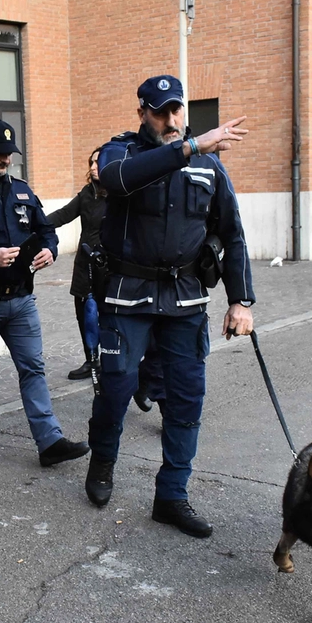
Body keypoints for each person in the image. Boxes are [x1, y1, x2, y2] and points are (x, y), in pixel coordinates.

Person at [84, 74, 254, 539]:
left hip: (184, 299)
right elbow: (118, 181)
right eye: (161, 111)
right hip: (127, 294)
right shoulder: (121, 154)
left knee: (185, 398)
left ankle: (172, 496)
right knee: (116, 389)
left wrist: (240, 300)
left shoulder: (209, 168)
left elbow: (233, 234)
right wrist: (191, 147)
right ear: (142, 112)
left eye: (177, 110)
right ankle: (102, 462)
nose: (172, 120)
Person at [0, 119, 89, 467]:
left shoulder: (23, 191)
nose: (5, 160)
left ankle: (49, 440)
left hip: (22, 300)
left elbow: (45, 230)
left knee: (33, 368)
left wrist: (51, 249)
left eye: (9, 154)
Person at [45, 148, 108, 381]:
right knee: (83, 313)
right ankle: (91, 360)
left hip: (108, 266)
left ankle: (111, 359)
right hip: (84, 264)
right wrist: (37, 225)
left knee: (106, 314)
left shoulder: (119, 196)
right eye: (91, 162)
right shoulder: (86, 194)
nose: (92, 167)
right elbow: (63, 214)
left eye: (98, 163)